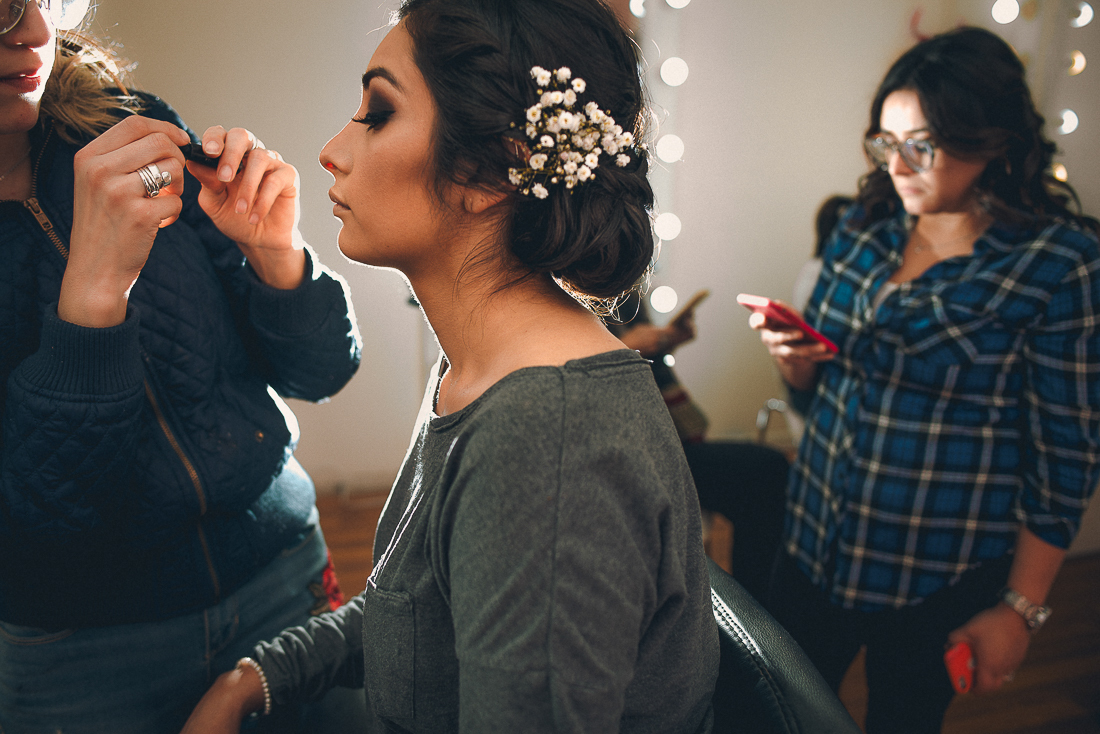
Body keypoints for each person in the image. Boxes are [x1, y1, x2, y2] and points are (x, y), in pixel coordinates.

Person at [182, 0, 720, 731]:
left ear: (491, 170)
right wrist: (257, 678)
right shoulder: (482, 371)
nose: (331, 150)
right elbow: (420, 607)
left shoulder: (544, 440)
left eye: (378, 113)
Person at [0, 1, 364, 732]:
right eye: (4, 9)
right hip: (83, 656)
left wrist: (276, 255)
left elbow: (322, 372)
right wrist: (93, 293)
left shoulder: (126, 126)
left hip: (283, 570)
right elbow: (50, 516)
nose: (37, 32)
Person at [751, 26, 1100, 733]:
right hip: (813, 542)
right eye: (886, 141)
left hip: (936, 576)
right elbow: (818, 390)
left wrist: (1020, 610)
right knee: (774, 716)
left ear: (992, 141)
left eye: (924, 145)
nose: (897, 164)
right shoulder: (864, 223)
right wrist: (794, 362)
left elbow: (1065, 458)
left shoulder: (1058, 264)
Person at [609, 292, 789, 602]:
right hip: (627, 449)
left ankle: (751, 604)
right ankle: (753, 607)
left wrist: (667, 339)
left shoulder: (623, 291)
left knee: (766, 471)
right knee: (765, 472)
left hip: (659, 437)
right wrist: (630, 347)